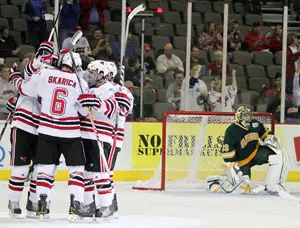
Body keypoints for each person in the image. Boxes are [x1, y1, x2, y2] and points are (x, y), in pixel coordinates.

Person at [10, 51, 91, 220]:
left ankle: (42, 206)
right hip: (70, 133)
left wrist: (16, 78)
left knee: (45, 171)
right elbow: (84, 111)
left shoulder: (45, 74)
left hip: (46, 131)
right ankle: (76, 205)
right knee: (76, 170)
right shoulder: (80, 82)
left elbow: (25, 90)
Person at [7, 41, 54, 218]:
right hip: (23, 123)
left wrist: (16, 79)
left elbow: (27, 88)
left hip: (43, 127)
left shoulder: (52, 72)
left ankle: (33, 202)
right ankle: (14, 201)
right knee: (20, 169)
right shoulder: (34, 66)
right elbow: (28, 74)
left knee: (39, 170)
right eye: (43, 53)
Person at [207, 106, 289, 195]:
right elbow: (227, 152)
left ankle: (272, 185)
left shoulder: (255, 124)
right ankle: (217, 181)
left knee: (277, 155)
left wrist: (270, 138)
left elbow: (264, 134)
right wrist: (233, 166)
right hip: (241, 162)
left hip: (255, 153)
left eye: (249, 115)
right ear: (239, 117)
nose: (248, 118)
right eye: (245, 116)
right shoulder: (232, 130)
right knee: (242, 189)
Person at [78, 60, 119, 219]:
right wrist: (84, 99)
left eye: (94, 72)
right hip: (86, 135)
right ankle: (88, 206)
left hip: (100, 136)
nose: (90, 75)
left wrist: (96, 102)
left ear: (102, 74)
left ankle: (107, 205)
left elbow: (113, 108)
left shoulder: (108, 88)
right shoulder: (89, 88)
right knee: (87, 174)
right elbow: (82, 112)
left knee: (100, 173)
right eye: (89, 72)